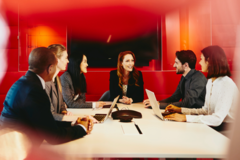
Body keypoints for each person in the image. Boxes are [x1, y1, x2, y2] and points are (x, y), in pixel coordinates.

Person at [0, 47, 93, 146]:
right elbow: (53, 137)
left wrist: (73, 123)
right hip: (16, 149)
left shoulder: (24, 83)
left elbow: (45, 122)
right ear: (50, 68)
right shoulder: (35, 91)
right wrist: (81, 128)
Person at [164, 45, 239, 131]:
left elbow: (217, 119)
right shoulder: (210, 82)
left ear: (209, 61)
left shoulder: (226, 84)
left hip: (229, 131)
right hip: (215, 126)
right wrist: (180, 110)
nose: (199, 63)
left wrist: (186, 118)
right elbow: (205, 111)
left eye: (201, 59)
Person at [45, 44, 72, 121]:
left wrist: (64, 112)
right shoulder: (44, 83)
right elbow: (49, 114)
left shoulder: (58, 79)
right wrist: (77, 119)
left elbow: (61, 105)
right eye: (66, 58)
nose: (68, 61)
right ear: (56, 59)